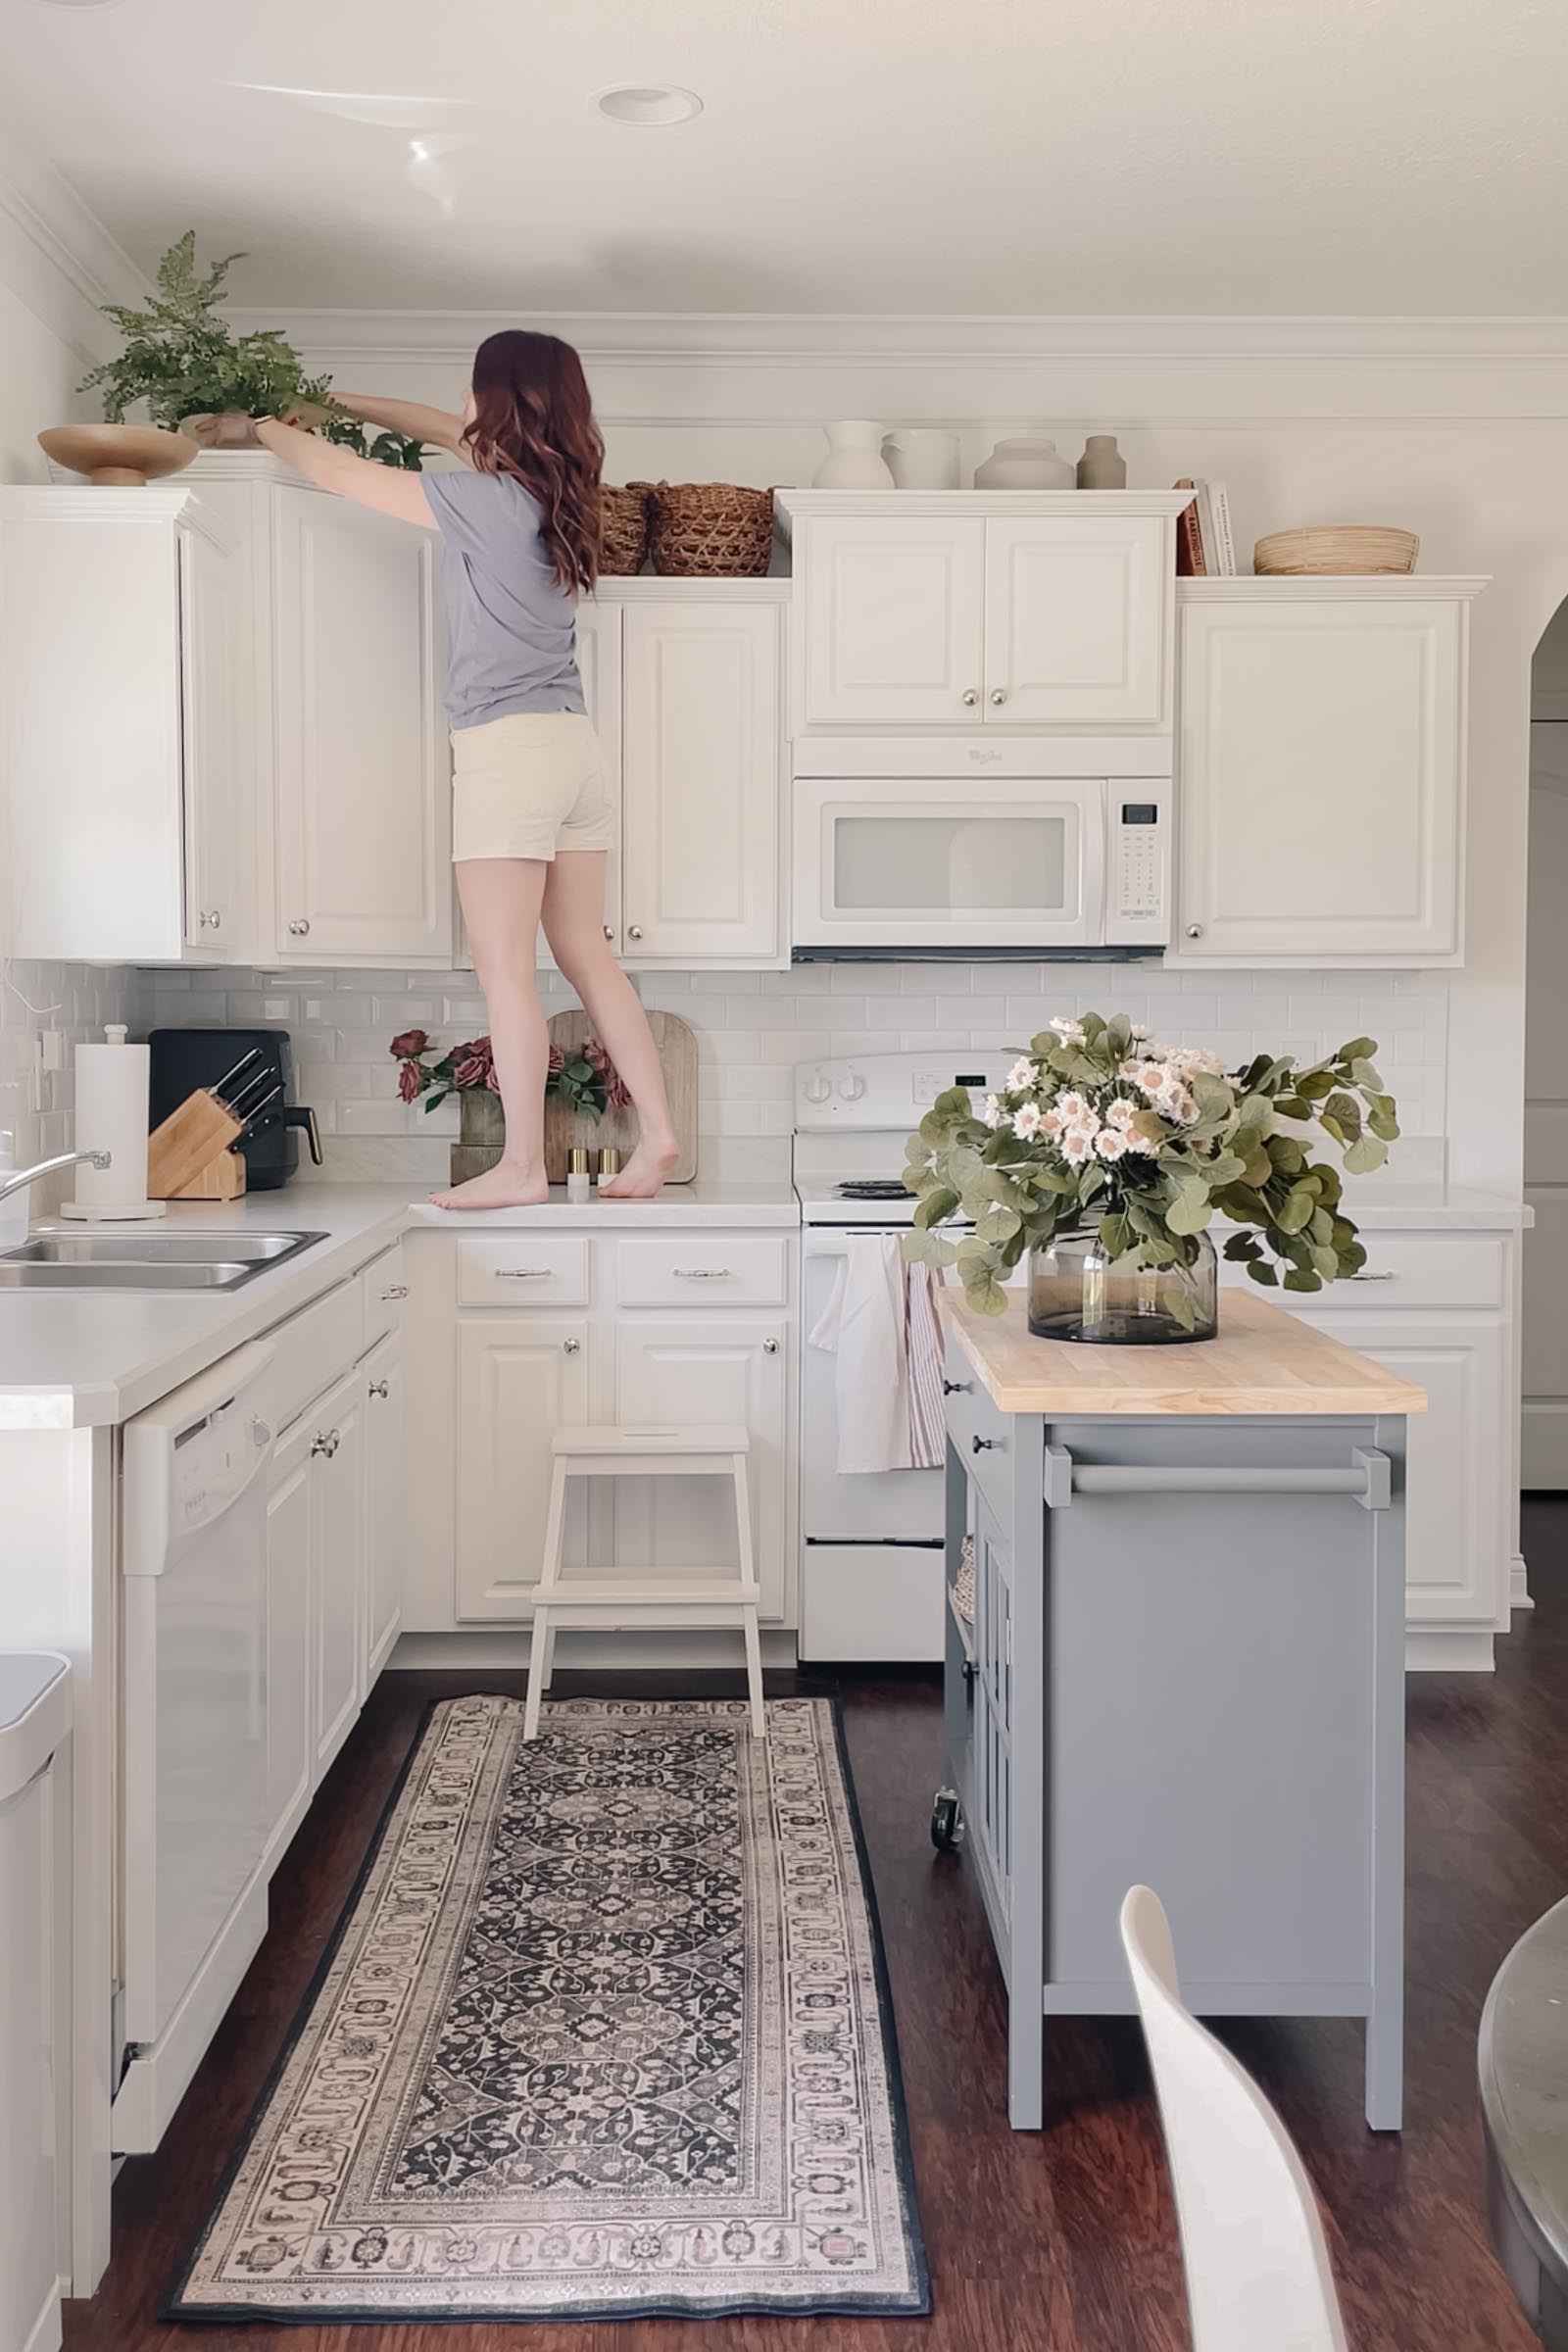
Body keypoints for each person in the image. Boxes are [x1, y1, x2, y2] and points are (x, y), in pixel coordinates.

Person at [254, 331, 679, 1206]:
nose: (460, 404)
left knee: (505, 973)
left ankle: (522, 1168)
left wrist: (264, 427)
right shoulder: (556, 490)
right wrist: (339, 403)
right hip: (572, 748)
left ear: (499, 400)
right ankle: (660, 1137)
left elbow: (338, 477)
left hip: (508, 752)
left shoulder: (484, 500)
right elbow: (438, 427)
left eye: (472, 391)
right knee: (589, 957)